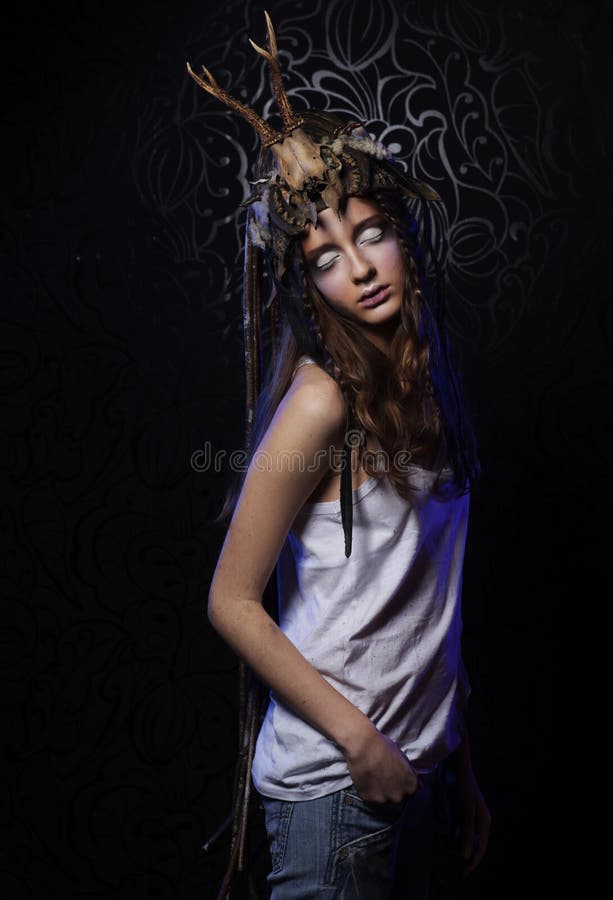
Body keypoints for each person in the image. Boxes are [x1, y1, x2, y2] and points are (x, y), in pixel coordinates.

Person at [188, 13, 491, 899]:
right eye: (325, 257)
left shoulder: (435, 385)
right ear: (308, 285)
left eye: (367, 235)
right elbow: (231, 601)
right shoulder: (322, 400)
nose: (357, 268)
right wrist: (360, 745)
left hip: (417, 773)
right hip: (337, 790)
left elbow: (425, 603)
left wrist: (459, 765)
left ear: (403, 235)